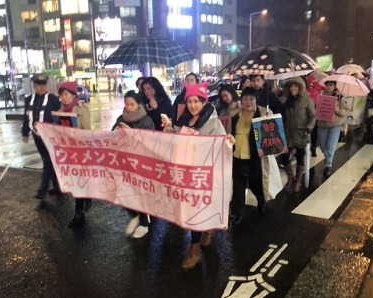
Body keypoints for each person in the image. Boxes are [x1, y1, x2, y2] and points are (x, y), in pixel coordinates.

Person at [162, 82, 235, 270]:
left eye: (196, 101)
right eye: (189, 101)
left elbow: (221, 146)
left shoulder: (213, 123)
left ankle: (194, 251)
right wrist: (169, 128)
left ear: (204, 102)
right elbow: (180, 138)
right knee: (192, 209)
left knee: (196, 211)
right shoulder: (186, 120)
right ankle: (205, 231)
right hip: (188, 172)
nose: (193, 105)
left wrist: (228, 142)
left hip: (204, 175)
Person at [112, 90, 155, 238]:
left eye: (132, 104)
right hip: (123, 162)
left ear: (139, 105)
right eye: (126, 104)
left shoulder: (146, 120)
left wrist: (131, 133)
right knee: (122, 192)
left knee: (139, 194)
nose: (129, 107)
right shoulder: (120, 118)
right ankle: (134, 214)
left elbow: (150, 143)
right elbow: (112, 136)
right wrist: (116, 132)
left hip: (141, 164)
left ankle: (144, 224)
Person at [56, 81, 93, 227]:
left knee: (79, 181)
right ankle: (86, 199)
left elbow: (87, 131)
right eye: (61, 95)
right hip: (67, 152)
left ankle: (79, 212)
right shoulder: (60, 110)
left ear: (73, 95)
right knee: (75, 181)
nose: (64, 98)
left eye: (66, 94)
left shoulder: (82, 109)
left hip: (80, 151)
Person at [229, 87, 268, 225]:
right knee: (238, 187)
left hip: (254, 157)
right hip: (237, 156)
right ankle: (239, 213)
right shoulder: (234, 116)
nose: (248, 102)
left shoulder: (263, 114)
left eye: (251, 98)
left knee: (255, 183)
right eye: (245, 98)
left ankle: (261, 201)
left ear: (256, 100)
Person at [21, 73, 62, 199]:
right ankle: (57, 185)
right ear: (34, 86)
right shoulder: (29, 100)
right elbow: (26, 116)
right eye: (39, 85)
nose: (41, 87)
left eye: (43, 84)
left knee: (48, 161)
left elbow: (63, 113)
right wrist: (25, 132)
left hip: (50, 137)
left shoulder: (53, 99)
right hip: (37, 136)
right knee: (48, 160)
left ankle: (42, 190)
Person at [281, 76, 316, 192]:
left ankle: (298, 181)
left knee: (300, 158)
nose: (293, 88)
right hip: (288, 133)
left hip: (301, 133)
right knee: (284, 156)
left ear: (300, 87)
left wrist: (308, 128)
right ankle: (291, 177)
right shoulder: (287, 101)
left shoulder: (307, 100)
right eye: (291, 86)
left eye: (296, 86)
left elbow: (312, 117)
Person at [317, 80, 347, 177]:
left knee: (330, 146)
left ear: (334, 86)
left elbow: (345, 112)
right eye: (327, 85)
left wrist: (338, 110)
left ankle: (328, 165)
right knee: (322, 145)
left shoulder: (340, 97)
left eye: (331, 85)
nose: (328, 87)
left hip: (335, 125)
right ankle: (327, 156)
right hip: (322, 124)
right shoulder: (320, 96)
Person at [305, 74, 325, 157]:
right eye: (311, 81)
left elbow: (323, 86)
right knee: (305, 131)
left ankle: (313, 148)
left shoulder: (318, 88)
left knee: (314, 132)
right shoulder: (305, 90)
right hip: (306, 113)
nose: (313, 82)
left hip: (315, 113)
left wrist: (316, 81)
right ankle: (304, 148)